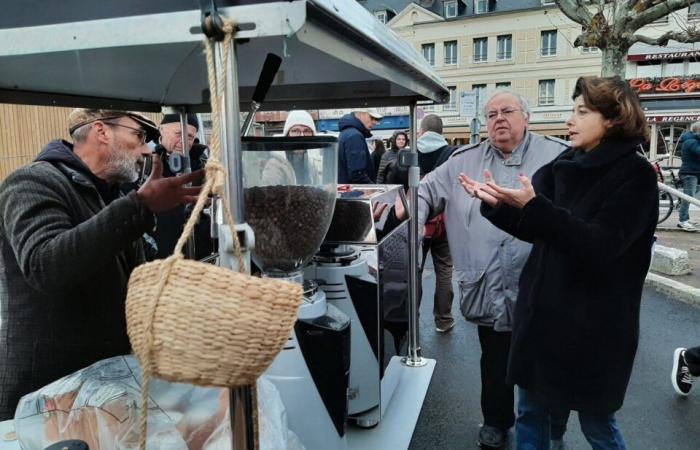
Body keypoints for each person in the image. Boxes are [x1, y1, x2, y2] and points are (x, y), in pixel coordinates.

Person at [460, 76, 658, 449]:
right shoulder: (565, 164)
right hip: (542, 318)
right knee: (531, 414)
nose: (570, 120)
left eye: (582, 112)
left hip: (593, 328)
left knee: (597, 425)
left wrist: (535, 207)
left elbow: (599, 246)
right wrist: (496, 206)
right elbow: (541, 229)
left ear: (614, 119)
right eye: (572, 110)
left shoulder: (636, 176)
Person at [0, 108, 202, 419]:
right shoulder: (31, 182)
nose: (147, 150)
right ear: (101, 131)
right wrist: (140, 205)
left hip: (100, 388)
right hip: (45, 395)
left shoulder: (106, 194)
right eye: (138, 136)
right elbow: (45, 265)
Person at [397, 89, 567, 448]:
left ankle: (554, 425)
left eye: (507, 111)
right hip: (489, 283)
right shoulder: (463, 161)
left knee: (548, 358)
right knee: (495, 358)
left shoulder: (557, 157)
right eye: (491, 115)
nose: (498, 119)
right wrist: (411, 206)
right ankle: (496, 420)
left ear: (526, 117)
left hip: (543, 285)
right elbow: (427, 190)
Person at [149, 113, 212, 260]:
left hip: (196, 259)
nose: (183, 142)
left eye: (189, 137)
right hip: (156, 259)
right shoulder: (144, 163)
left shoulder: (203, 165)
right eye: (178, 134)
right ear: (162, 130)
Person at [415, 115, 457, 333]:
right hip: (445, 220)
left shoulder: (411, 153)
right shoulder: (452, 154)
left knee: (415, 269)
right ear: (441, 132)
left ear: (422, 130)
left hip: (418, 219)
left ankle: (413, 318)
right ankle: (444, 319)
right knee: (444, 270)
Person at [262, 110, 316, 185]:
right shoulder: (275, 166)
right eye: (296, 131)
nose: (302, 135)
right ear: (287, 135)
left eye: (307, 131)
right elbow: (269, 195)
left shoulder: (310, 164)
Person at [337, 109, 383, 183]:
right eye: (371, 117)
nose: (374, 122)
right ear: (360, 114)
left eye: (376, 119)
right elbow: (357, 175)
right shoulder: (354, 136)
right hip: (356, 193)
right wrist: (374, 189)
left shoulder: (348, 133)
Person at [676, 122, 700, 231]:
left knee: (689, 196)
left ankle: (684, 216)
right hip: (689, 173)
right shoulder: (691, 142)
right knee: (688, 197)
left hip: (694, 172)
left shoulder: (693, 140)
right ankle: (683, 221)